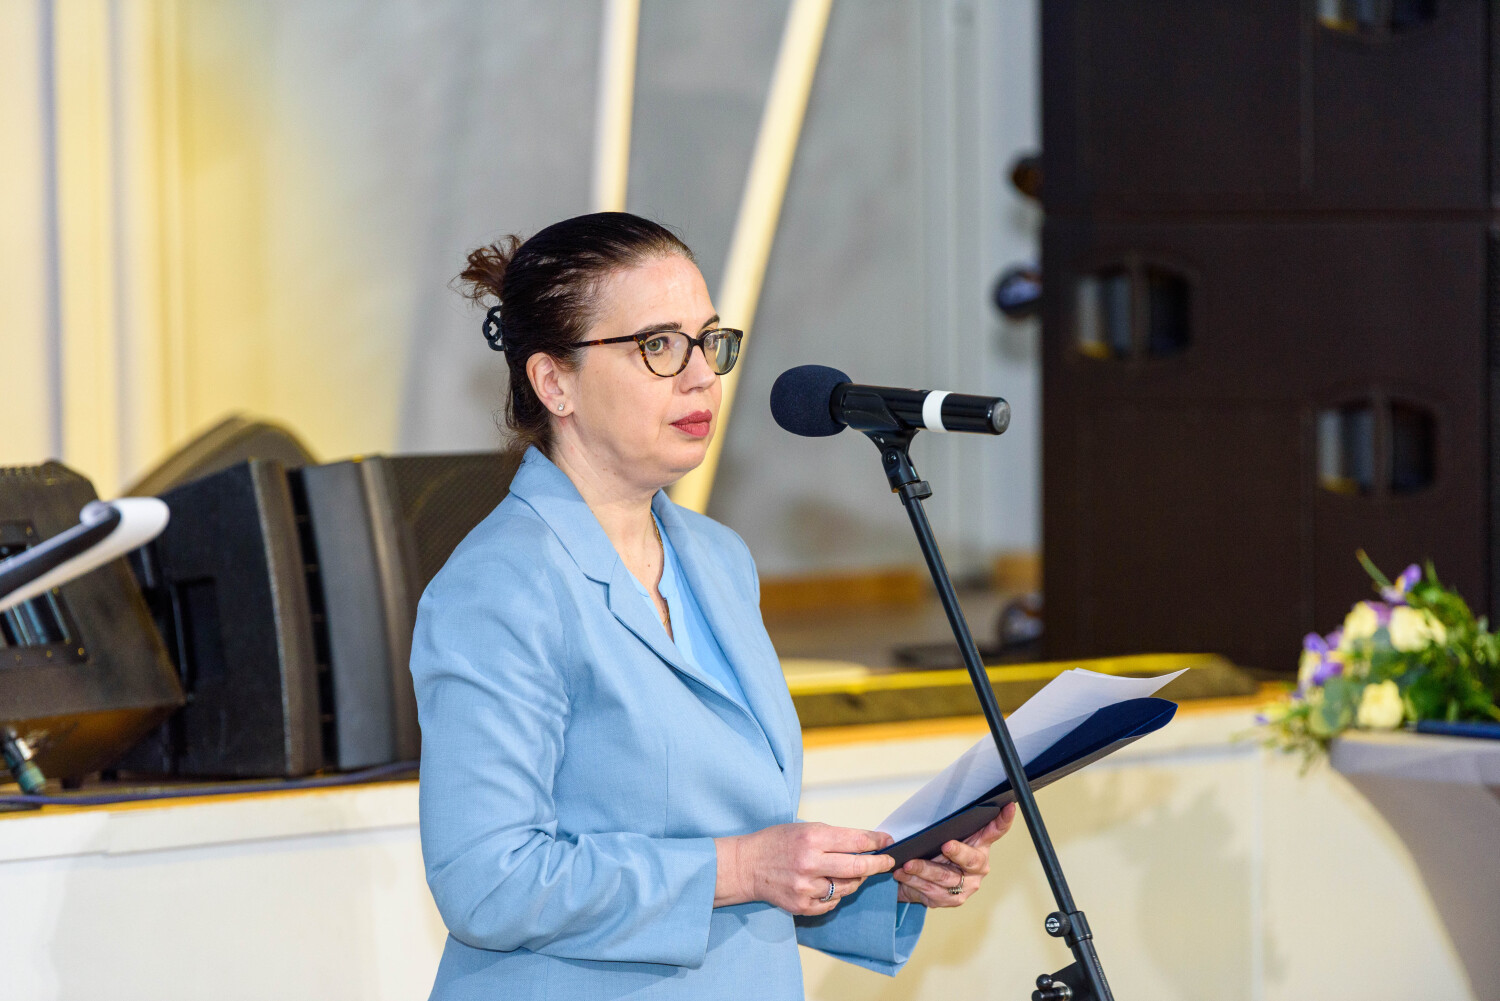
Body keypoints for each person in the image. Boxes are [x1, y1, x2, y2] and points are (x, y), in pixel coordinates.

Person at [411, 212, 1018, 1000]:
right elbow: (488, 881)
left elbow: (729, 851)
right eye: (658, 345)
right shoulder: (499, 585)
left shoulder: (716, 558)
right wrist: (746, 865)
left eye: (708, 341)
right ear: (554, 382)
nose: (702, 375)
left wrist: (884, 878)